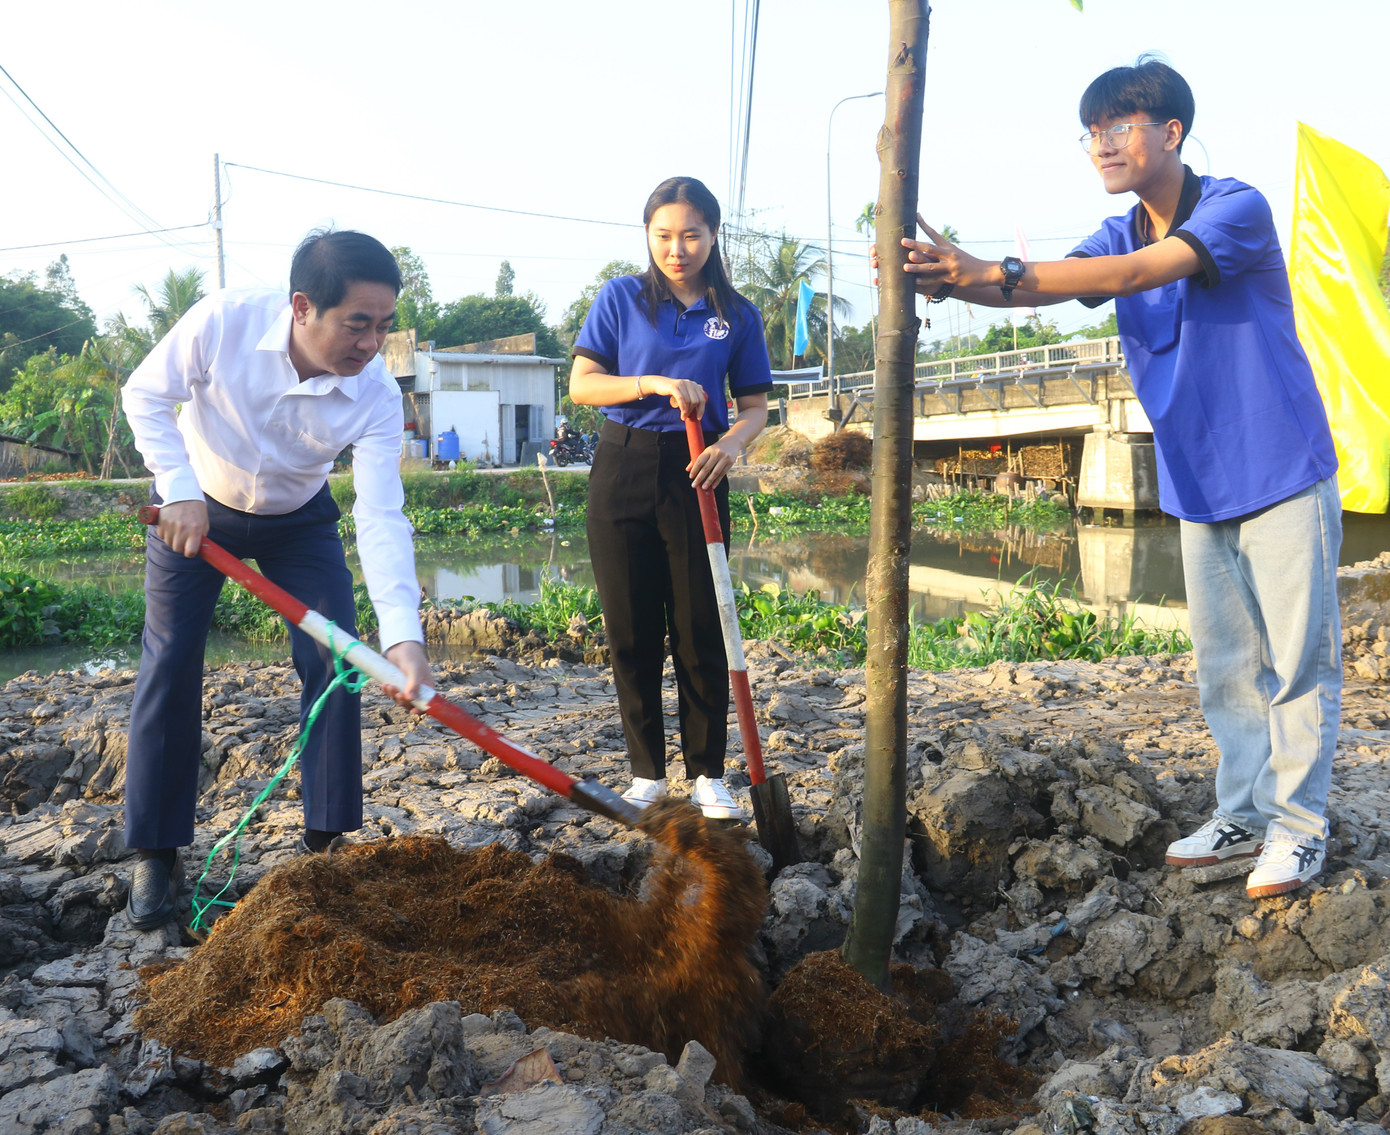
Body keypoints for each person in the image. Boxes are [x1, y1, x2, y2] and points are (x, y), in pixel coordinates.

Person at [891, 57, 1341, 899]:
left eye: (1121, 126)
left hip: (1280, 470)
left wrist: (996, 270)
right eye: (1093, 131)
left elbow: (1136, 277)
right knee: (1227, 667)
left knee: (1297, 665)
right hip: (1199, 484)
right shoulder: (1117, 231)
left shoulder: (1235, 207)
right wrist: (952, 277)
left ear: (1172, 133)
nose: (1102, 143)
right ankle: (1242, 813)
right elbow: (1046, 289)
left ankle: (1300, 826)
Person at [120, 229, 432, 930]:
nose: (371, 343)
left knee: (338, 653)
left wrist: (405, 638)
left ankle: (324, 842)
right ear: (301, 306)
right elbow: (144, 395)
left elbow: (382, 515)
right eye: (358, 323)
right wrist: (176, 489)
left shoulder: (378, 395)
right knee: (169, 660)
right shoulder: (223, 321)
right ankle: (157, 852)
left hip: (298, 520)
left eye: (383, 326)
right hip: (196, 513)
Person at [569, 176, 773, 819]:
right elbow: (582, 385)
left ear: (713, 235)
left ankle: (708, 773)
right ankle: (647, 773)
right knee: (630, 629)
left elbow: (756, 407)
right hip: (623, 465)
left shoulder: (736, 316)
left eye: (690, 235)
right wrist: (654, 383)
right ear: (648, 236)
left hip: (699, 471)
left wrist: (731, 446)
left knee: (699, 627)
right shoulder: (621, 298)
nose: (676, 249)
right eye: (663, 236)